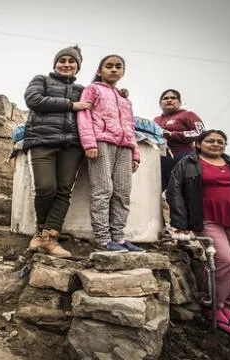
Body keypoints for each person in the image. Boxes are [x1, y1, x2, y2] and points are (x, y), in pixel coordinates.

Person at [166, 129, 230, 335]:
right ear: (199, 144)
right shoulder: (188, 163)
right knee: (225, 261)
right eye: (210, 140)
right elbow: (175, 192)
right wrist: (180, 223)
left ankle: (228, 305)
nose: (216, 144)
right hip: (208, 219)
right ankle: (212, 307)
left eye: (221, 141)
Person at [23, 45, 91, 258]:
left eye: (72, 62)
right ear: (55, 63)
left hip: (72, 145)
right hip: (42, 140)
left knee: (63, 190)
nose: (67, 65)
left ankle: (48, 238)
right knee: (45, 188)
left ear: (77, 67)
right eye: (62, 60)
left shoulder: (83, 89)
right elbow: (33, 100)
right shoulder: (41, 80)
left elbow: (97, 104)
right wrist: (72, 105)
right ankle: (40, 228)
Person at [76, 55, 144, 252]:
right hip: (101, 142)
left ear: (122, 71)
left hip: (125, 147)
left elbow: (130, 126)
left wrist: (135, 153)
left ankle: (119, 238)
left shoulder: (124, 98)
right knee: (103, 190)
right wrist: (89, 143)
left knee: (122, 192)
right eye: (109, 66)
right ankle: (103, 239)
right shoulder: (93, 89)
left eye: (118, 67)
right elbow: (84, 114)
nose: (113, 70)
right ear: (100, 71)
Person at [154, 89, 205, 192]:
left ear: (179, 102)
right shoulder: (156, 120)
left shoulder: (187, 115)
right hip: (160, 161)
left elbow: (201, 132)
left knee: (185, 192)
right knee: (157, 193)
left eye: (173, 98)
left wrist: (173, 134)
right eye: (165, 98)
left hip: (183, 157)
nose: (169, 100)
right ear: (160, 103)